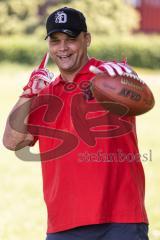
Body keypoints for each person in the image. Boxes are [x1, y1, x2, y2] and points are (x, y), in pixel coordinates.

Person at [3, 6, 149, 240]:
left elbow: (143, 97)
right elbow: (12, 141)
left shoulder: (110, 78)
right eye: (55, 40)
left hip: (121, 219)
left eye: (71, 39)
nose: (62, 48)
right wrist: (28, 94)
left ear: (87, 39)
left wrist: (127, 77)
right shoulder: (45, 95)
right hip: (63, 223)